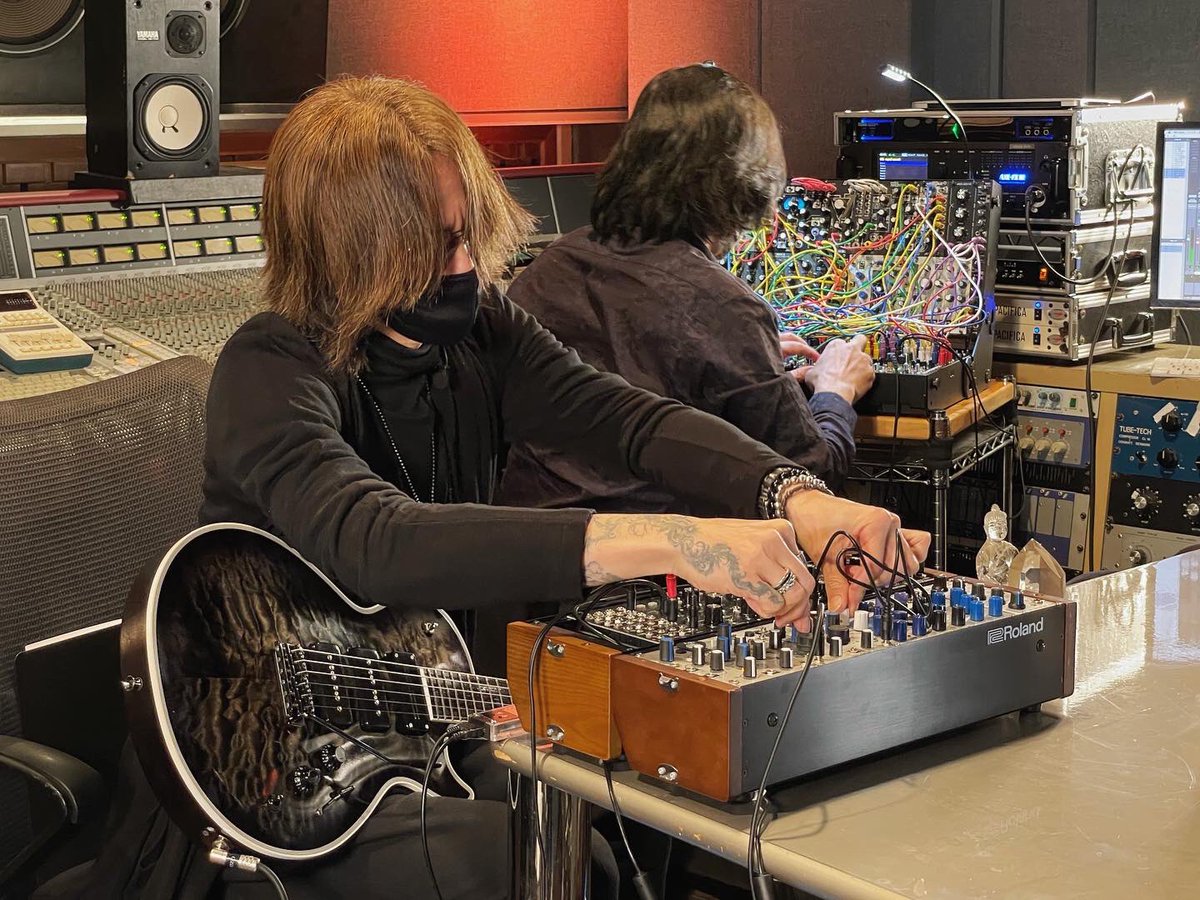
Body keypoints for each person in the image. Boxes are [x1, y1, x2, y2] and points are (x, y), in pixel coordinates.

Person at [55, 76, 927, 900]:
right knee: (535, 862)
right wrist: (677, 540)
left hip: (410, 727)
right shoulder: (268, 368)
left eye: (468, 231)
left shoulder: (484, 334)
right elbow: (377, 539)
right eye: (441, 244)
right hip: (257, 773)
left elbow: (630, 421)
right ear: (358, 250)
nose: (469, 263)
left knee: (626, 814)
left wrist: (796, 496)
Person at [499, 63, 875, 514]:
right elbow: (809, 479)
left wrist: (744, 363)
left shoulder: (548, 269)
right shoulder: (725, 308)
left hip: (540, 541)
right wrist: (835, 390)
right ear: (743, 182)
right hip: (667, 553)